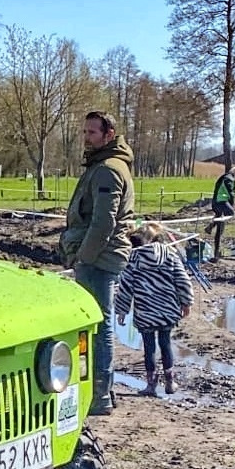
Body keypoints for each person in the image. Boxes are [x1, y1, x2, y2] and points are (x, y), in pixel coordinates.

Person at [60, 111, 135, 416]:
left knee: (99, 326)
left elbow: (104, 222)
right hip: (101, 256)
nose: (86, 138)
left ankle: (99, 395)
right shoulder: (104, 165)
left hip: (99, 258)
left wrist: (83, 257)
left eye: (92, 133)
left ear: (108, 134)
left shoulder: (107, 169)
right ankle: (104, 390)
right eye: (85, 132)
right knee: (99, 324)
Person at [114, 223, 194, 397]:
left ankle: (150, 385)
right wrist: (186, 302)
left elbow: (125, 285)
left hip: (145, 311)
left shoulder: (133, 258)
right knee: (165, 344)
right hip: (167, 310)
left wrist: (121, 309)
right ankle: (170, 383)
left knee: (148, 347)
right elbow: (183, 279)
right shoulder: (171, 255)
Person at [205, 163, 235, 260]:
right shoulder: (229, 179)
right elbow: (230, 193)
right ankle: (216, 253)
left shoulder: (225, 177)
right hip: (221, 203)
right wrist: (232, 207)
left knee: (220, 222)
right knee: (221, 226)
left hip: (218, 202)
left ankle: (210, 227)